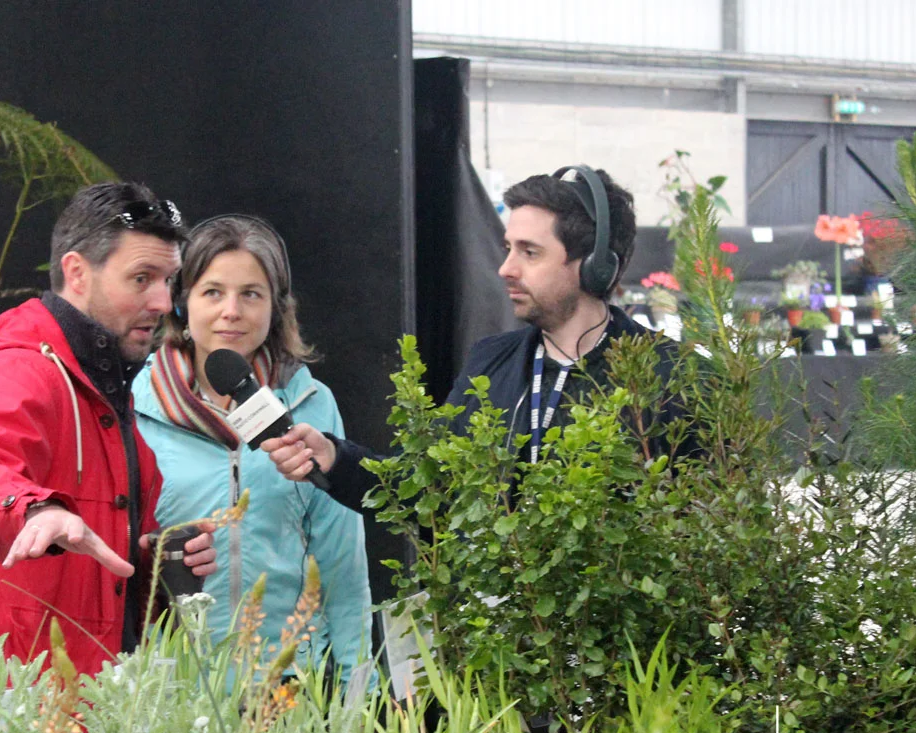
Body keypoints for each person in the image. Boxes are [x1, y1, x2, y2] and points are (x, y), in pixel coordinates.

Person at [0, 182, 216, 733]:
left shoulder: (99, 383)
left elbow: (102, 576)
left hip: (75, 730)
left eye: (169, 281)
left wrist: (157, 565)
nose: (163, 302)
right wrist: (35, 510)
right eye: (141, 279)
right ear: (76, 272)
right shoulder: (22, 368)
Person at [260, 166, 685, 508]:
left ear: (595, 266)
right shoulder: (492, 362)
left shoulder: (676, 378)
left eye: (530, 252)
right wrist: (335, 459)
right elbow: (430, 491)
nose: (506, 269)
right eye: (508, 248)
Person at [133, 215, 370, 683]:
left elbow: (342, 562)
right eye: (212, 292)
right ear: (181, 302)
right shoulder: (133, 405)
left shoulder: (310, 404)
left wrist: (358, 689)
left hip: (287, 685)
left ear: (276, 308)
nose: (232, 311)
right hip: (173, 689)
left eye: (251, 294)